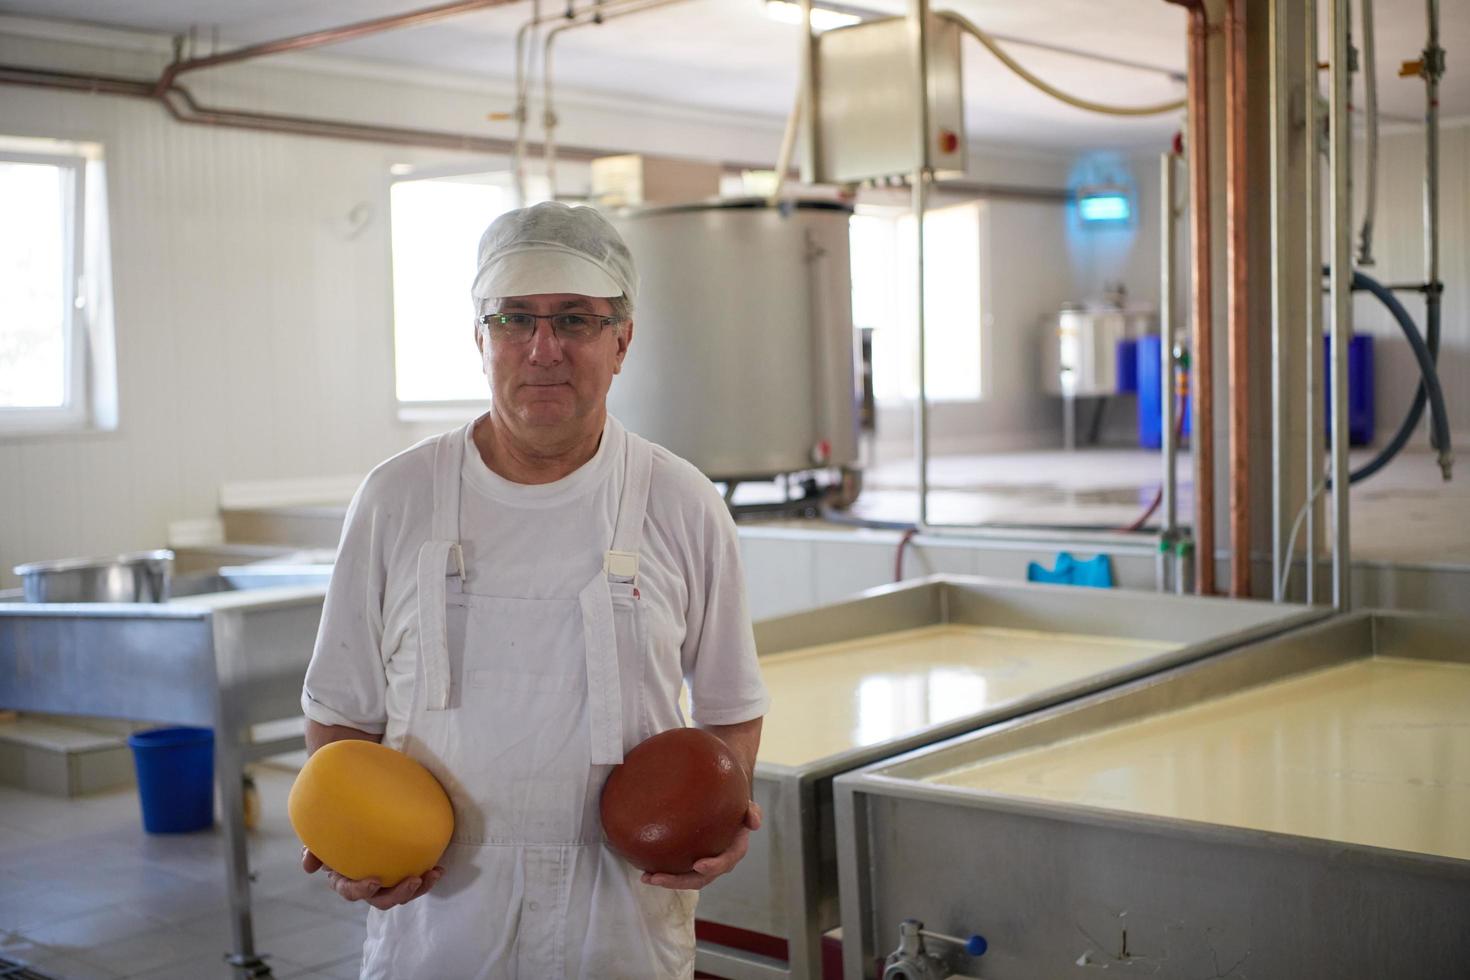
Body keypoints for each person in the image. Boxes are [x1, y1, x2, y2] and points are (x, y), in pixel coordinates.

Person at [299, 201, 770, 980]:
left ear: (623, 340)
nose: (543, 349)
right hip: (440, 912)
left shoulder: (680, 501)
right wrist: (355, 843)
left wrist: (712, 819)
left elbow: (730, 708)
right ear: (478, 338)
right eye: (515, 319)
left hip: (617, 914)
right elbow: (340, 714)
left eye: (576, 320)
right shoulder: (396, 498)